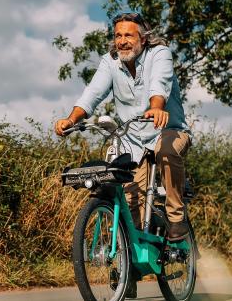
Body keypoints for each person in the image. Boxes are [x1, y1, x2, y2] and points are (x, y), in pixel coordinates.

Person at [54, 13, 192, 241]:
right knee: (131, 206)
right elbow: (93, 93)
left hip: (168, 131)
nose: (122, 40)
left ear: (143, 38)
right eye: (118, 35)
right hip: (133, 140)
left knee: (166, 151)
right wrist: (71, 120)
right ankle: (132, 264)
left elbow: (160, 83)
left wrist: (156, 107)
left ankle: (176, 217)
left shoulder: (159, 54)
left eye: (129, 35)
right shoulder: (110, 62)